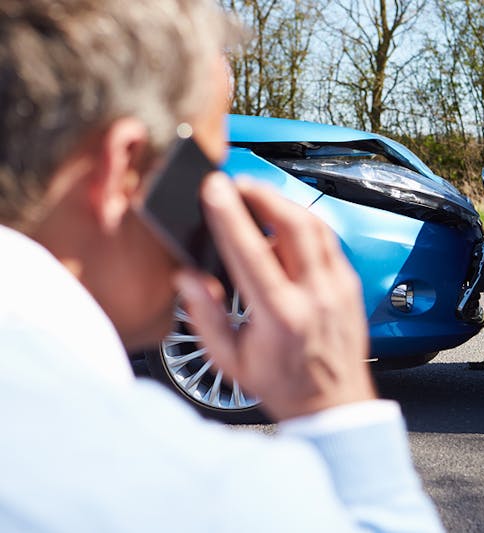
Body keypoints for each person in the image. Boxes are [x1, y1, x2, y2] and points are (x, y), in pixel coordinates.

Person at [0, 1, 443, 531]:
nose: (213, 211)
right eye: (203, 173)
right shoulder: (179, 488)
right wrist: (335, 403)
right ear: (124, 171)